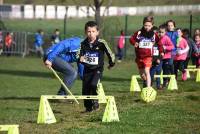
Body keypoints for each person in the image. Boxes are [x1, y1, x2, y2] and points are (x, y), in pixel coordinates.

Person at [79, 21, 115, 112]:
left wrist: (111, 64)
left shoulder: (101, 43)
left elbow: (110, 53)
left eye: (93, 31)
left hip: (97, 69)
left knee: (94, 84)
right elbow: (78, 54)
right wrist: (80, 57)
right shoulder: (83, 44)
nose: (91, 34)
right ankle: (88, 108)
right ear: (85, 32)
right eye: (89, 32)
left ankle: (95, 101)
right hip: (87, 69)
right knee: (86, 89)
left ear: (97, 32)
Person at [130, 16, 161, 88]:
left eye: (149, 26)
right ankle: (146, 81)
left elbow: (159, 43)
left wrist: (161, 52)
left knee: (147, 71)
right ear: (143, 25)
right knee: (142, 74)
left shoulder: (154, 35)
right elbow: (131, 39)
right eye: (145, 25)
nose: (147, 27)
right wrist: (134, 43)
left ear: (152, 26)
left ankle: (148, 88)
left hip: (148, 56)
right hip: (139, 56)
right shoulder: (139, 33)